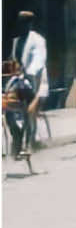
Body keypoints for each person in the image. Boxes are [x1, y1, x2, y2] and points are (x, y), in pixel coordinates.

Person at [5, 10, 49, 157]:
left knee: (30, 111)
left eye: (26, 22)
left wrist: (28, 72)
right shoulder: (16, 41)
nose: (22, 25)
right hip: (20, 82)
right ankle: (17, 135)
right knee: (7, 109)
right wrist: (7, 71)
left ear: (31, 23)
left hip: (36, 83)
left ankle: (29, 143)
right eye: (20, 22)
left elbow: (39, 60)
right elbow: (13, 62)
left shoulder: (38, 40)